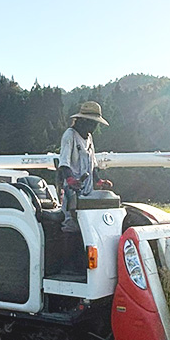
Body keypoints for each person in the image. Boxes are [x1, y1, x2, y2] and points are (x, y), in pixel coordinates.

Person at [57, 101, 112, 275]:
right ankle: (67, 265)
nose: (94, 127)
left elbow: (93, 165)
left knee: (86, 226)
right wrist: (70, 179)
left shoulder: (89, 138)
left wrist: (99, 181)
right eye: (92, 123)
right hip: (73, 191)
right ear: (83, 121)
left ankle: (82, 263)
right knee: (70, 225)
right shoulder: (70, 135)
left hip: (88, 193)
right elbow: (63, 162)